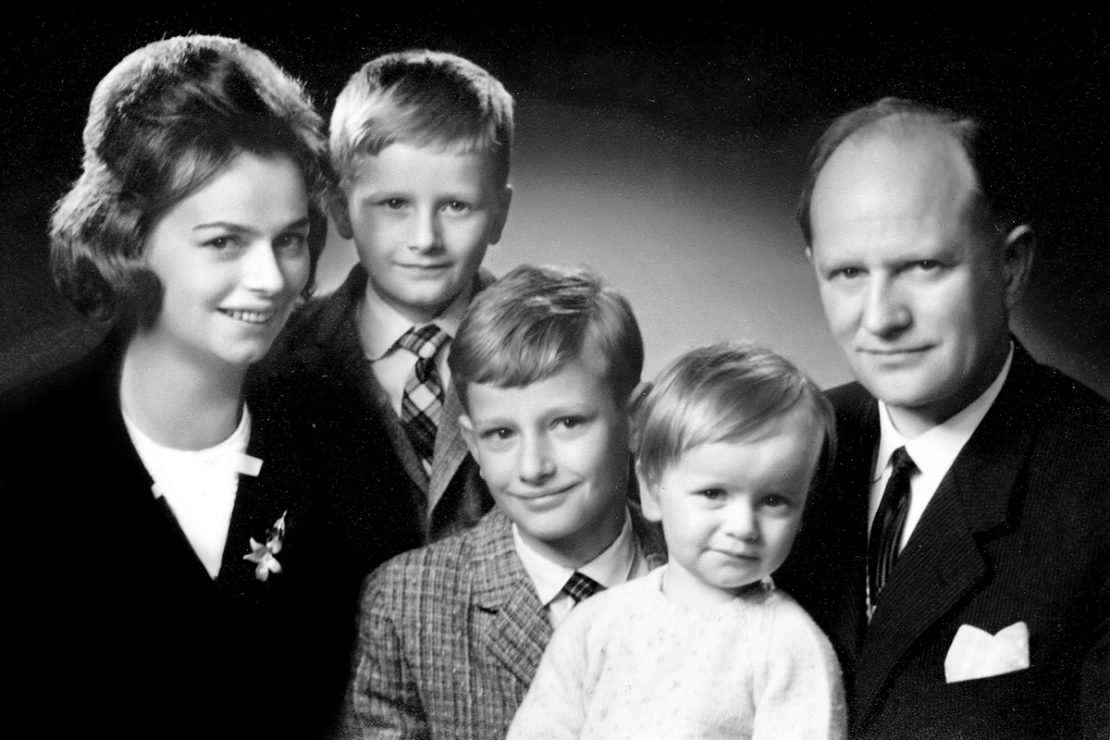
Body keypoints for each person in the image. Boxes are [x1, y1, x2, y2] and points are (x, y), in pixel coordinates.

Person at [1, 35, 364, 739]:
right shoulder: (19, 459)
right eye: (225, 241)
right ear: (126, 240)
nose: (269, 279)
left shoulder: (339, 436)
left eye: (289, 239)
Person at [777, 96, 1110, 739]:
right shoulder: (786, 444)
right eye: (847, 273)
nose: (880, 318)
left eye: (923, 266)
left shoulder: (1097, 480)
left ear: (1010, 266)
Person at [343, 263, 667, 739]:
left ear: (637, 420)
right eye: (501, 434)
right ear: (472, 444)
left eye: (567, 423)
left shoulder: (712, 572)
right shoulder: (403, 608)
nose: (533, 467)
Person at [506, 341, 845, 739]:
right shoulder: (596, 625)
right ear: (652, 490)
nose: (743, 526)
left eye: (774, 500)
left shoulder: (787, 647)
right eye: (714, 493)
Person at [257, 49, 514, 545]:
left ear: (499, 213)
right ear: (340, 209)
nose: (425, 239)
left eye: (457, 206)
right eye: (394, 204)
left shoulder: (562, 351)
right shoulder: (274, 358)